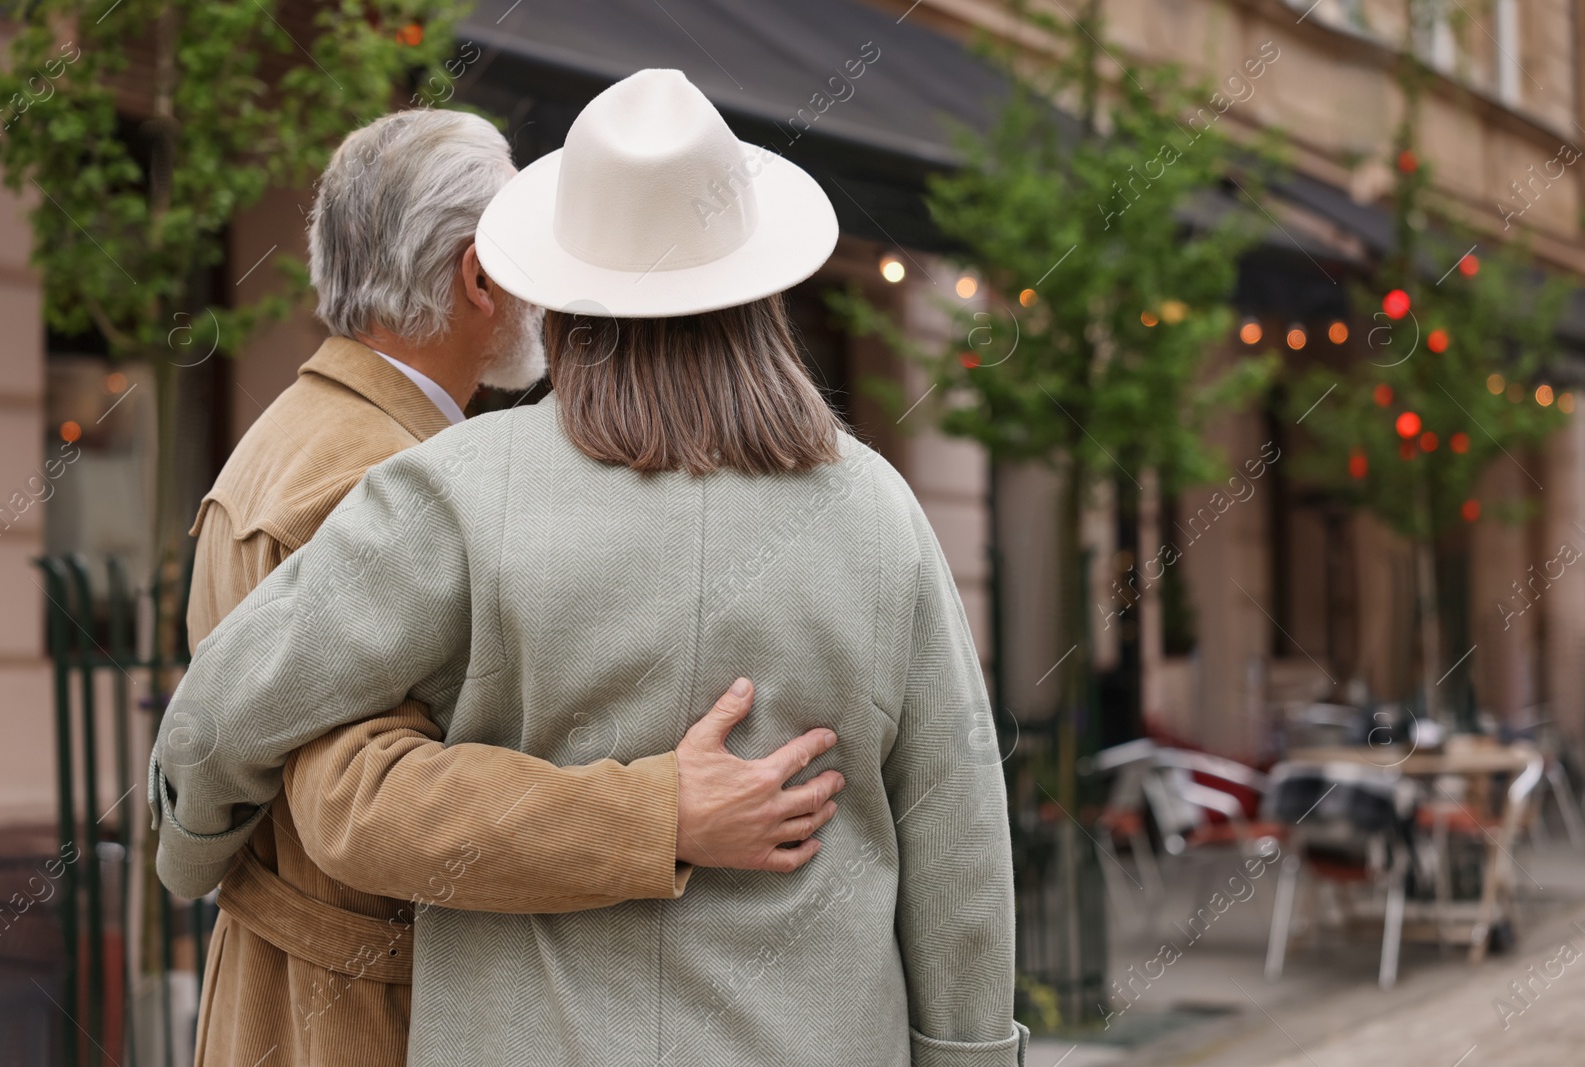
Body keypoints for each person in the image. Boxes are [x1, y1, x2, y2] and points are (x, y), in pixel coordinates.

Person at [155, 70, 1025, 1065]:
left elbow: (229, 705)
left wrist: (190, 848)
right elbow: (958, 841)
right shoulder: (878, 510)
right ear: (758, 288)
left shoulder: (453, 491)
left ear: (558, 291)